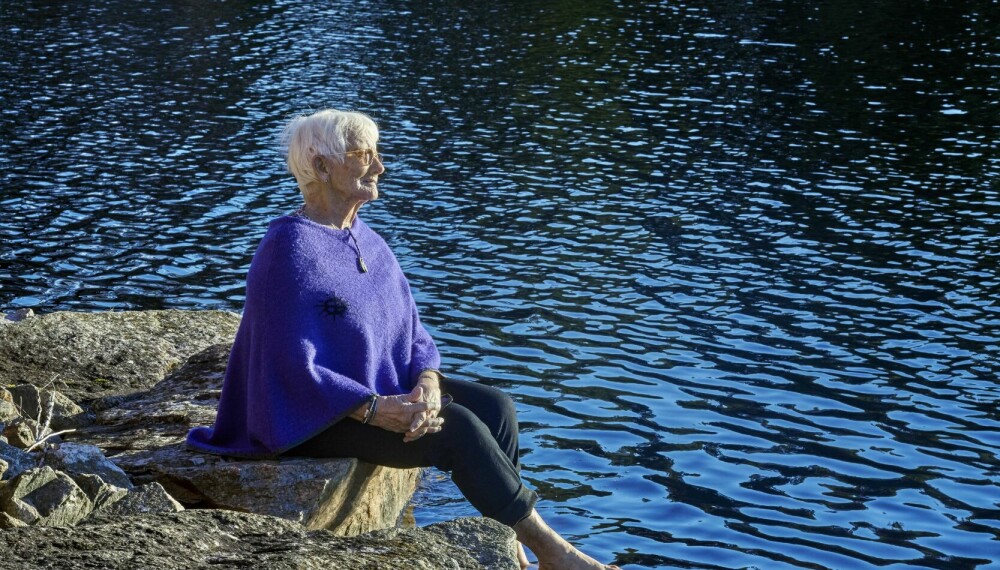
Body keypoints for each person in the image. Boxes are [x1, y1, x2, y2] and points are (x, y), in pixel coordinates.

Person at [186, 109, 620, 570]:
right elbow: (288, 365)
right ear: (321, 167)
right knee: (457, 430)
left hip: (372, 395)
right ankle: (555, 552)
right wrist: (374, 409)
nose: (380, 167)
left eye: (377, 154)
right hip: (306, 416)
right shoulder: (286, 250)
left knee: (496, 406)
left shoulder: (367, 239)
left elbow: (411, 330)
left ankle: (507, 532)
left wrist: (429, 381)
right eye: (364, 155)